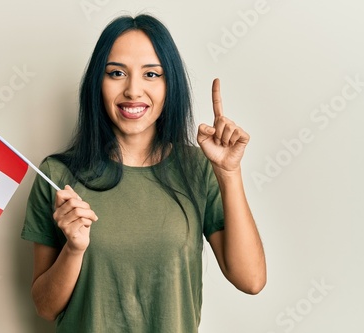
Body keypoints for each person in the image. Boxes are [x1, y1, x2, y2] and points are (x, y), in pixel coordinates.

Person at [21, 14, 266, 332]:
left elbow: (251, 280)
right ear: (98, 82)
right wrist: (74, 248)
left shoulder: (198, 169)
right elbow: (45, 307)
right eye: (116, 73)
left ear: (170, 85)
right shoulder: (58, 175)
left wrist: (229, 173)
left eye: (151, 74)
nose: (133, 90)